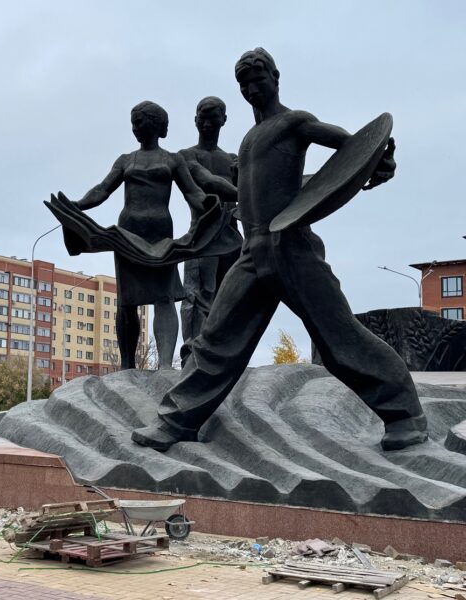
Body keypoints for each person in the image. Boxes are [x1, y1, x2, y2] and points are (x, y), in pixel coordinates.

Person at [132, 48, 428, 452]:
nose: (252, 89)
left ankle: (405, 414)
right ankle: (175, 422)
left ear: (276, 77)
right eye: (244, 84)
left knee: (340, 339)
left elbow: (352, 146)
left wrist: (380, 159)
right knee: (215, 340)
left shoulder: (295, 122)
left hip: (293, 247)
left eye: (259, 80)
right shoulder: (249, 138)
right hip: (252, 251)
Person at [72, 101, 211, 370]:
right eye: (133, 123)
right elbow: (102, 190)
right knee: (127, 301)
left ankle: (165, 366)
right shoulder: (125, 160)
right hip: (127, 235)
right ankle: (126, 365)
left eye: (139, 122)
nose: (135, 128)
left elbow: (193, 193)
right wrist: (77, 205)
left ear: (156, 125)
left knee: (164, 297)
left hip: (161, 237)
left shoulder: (172, 159)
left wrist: (210, 206)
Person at [178, 97, 242, 343]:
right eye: (202, 118)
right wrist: (242, 189)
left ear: (223, 120)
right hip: (202, 237)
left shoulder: (232, 160)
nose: (206, 123)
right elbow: (205, 182)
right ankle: (192, 352)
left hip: (232, 237)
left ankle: (226, 352)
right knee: (197, 295)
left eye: (213, 117)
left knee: (232, 298)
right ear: (195, 120)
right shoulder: (186, 156)